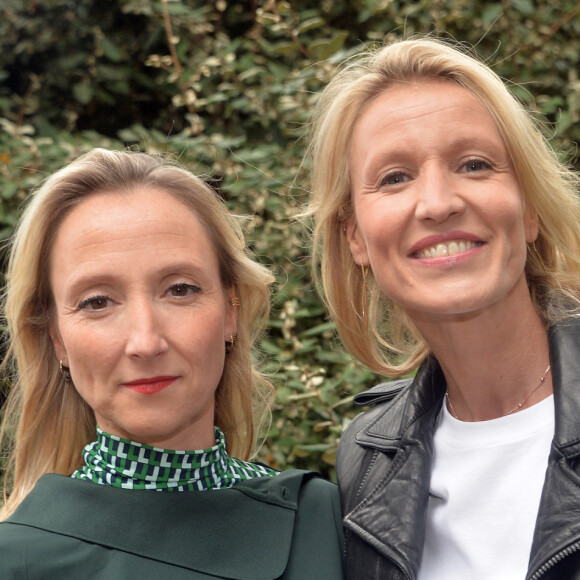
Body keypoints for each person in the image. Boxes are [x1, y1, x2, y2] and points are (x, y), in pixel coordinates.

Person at [306, 36, 580, 579]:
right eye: (395, 178)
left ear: (528, 210)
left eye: (475, 165)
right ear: (355, 236)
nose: (437, 203)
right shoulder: (368, 462)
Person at [0, 148, 344, 579]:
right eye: (97, 302)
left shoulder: (327, 523)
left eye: (179, 290)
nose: (146, 342)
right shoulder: (16, 561)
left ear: (231, 309)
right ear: (57, 340)